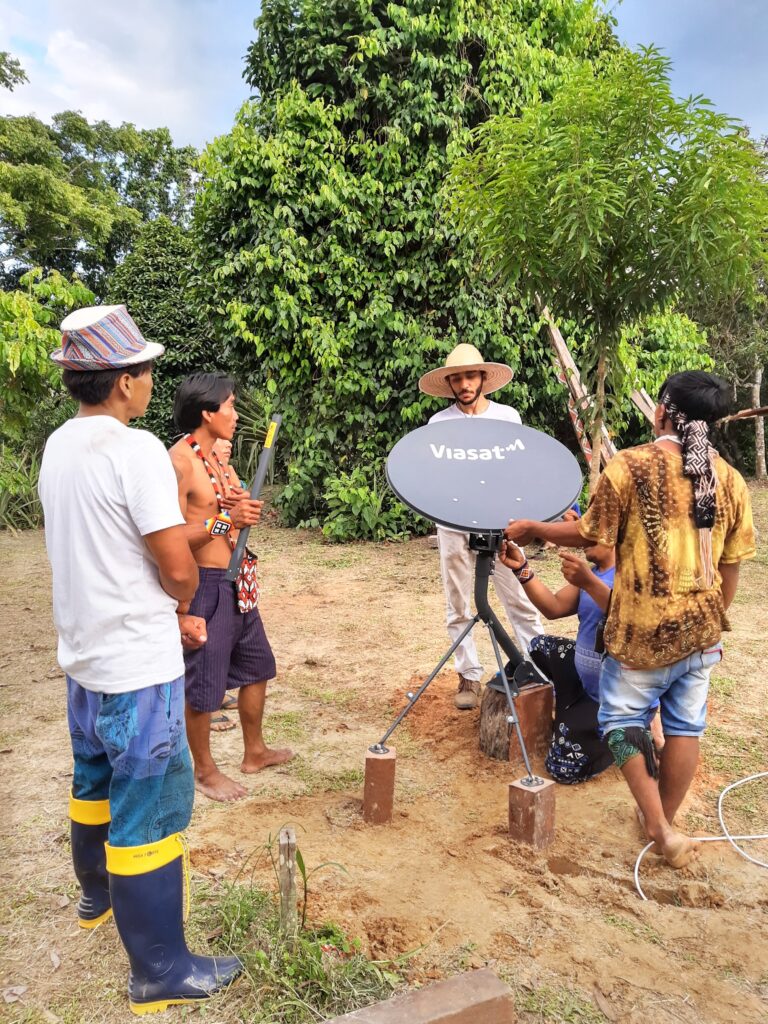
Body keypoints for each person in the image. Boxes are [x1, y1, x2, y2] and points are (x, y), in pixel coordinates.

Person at [38, 306, 242, 1014]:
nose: (153, 382)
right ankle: (160, 969)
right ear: (124, 382)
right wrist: (180, 599)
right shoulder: (135, 452)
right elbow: (176, 565)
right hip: (137, 667)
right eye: (147, 370)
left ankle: (96, 899)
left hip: (86, 659)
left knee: (92, 779)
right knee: (149, 810)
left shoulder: (58, 446)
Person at [505, 371, 755, 867]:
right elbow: (730, 571)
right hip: (702, 636)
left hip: (640, 637)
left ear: (662, 410)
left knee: (620, 723)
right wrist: (705, 621)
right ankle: (662, 818)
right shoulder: (730, 481)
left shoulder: (630, 467)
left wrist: (534, 527)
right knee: (685, 729)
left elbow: (590, 533)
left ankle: (660, 829)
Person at [170, 373, 292, 803]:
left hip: (238, 580)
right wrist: (227, 521)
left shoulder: (217, 460)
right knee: (204, 684)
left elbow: (227, 509)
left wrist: (242, 505)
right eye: (231, 406)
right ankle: (204, 771)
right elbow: (168, 537)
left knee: (259, 666)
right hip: (204, 587)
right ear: (207, 412)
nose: (236, 415)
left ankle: (254, 751)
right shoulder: (180, 461)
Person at [419, 343, 543, 709]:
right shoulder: (437, 425)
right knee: (457, 600)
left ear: (483, 378)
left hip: (500, 520)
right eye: (456, 378)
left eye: (470, 376)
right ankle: (468, 675)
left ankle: (538, 666)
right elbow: (433, 476)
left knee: (519, 594)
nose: (464, 384)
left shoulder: (508, 418)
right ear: (450, 384)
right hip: (453, 521)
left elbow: (519, 470)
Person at [498, 535, 616, 784]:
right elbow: (553, 607)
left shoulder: (634, 573)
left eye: (592, 535)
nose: (584, 541)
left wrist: (589, 582)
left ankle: (618, 739)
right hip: (586, 676)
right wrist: (521, 568)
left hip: (615, 694)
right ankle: (571, 706)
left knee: (562, 767)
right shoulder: (593, 572)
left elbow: (630, 616)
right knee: (539, 646)